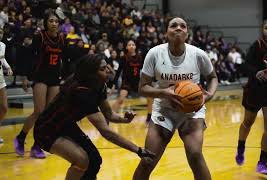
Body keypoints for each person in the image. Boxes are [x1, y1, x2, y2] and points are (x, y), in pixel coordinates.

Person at [33, 54, 155, 179]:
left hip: (66, 126)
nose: (108, 70)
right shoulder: (82, 93)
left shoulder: (99, 85)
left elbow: (109, 114)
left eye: (106, 67)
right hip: (46, 130)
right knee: (82, 160)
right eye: (102, 69)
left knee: (95, 161)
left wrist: (125, 119)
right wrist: (138, 150)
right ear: (91, 74)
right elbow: (106, 132)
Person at [133, 17, 218, 180]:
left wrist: (210, 94)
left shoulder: (198, 54)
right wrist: (164, 92)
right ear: (166, 32)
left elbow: (213, 77)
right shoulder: (154, 54)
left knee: (195, 155)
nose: (178, 28)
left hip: (191, 112)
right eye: (173, 25)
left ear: (187, 33)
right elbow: (142, 87)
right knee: (147, 159)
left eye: (183, 26)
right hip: (164, 109)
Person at [235, 18, 267, 175]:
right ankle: (241, 146)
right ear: (263, 30)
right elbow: (245, 65)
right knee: (248, 122)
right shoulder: (257, 45)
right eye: (266, 27)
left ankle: (262, 162)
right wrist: (255, 72)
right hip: (255, 90)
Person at [14, 11, 66, 158]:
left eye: (56, 21)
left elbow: (66, 59)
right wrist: (24, 76)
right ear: (45, 23)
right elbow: (28, 55)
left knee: (48, 115)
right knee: (39, 112)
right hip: (41, 77)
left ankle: (37, 146)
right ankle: (21, 137)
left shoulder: (62, 39)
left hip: (55, 79)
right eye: (51, 21)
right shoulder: (40, 37)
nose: (54, 23)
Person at [112, 40, 143, 112]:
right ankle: (110, 115)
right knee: (121, 99)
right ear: (126, 47)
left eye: (133, 44)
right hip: (127, 82)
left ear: (135, 46)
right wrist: (113, 84)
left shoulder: (140, 57)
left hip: (137, 82)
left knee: (150, 96)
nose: (131, 46)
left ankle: (150, 115)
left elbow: (144, 70)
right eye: (129, 45)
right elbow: (118, 72)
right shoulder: (124, 58)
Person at [0, 27, 13, 143]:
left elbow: (2, 59)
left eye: (1, 33)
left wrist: (8, 67)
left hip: (0, 79)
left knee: (4, 108)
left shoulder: (3, 45)